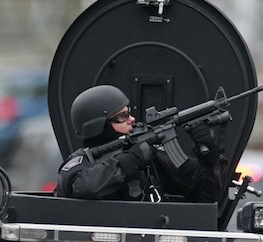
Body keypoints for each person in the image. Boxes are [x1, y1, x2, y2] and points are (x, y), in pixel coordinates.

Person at [55, 85, 227, 203]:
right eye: (122, 117)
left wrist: (208, 158)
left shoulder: (152, 158)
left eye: (128, 113)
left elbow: (205, 198)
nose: (132, 120)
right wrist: (132, 159)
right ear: (99, 125)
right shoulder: (80, 163)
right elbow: (87, 187)